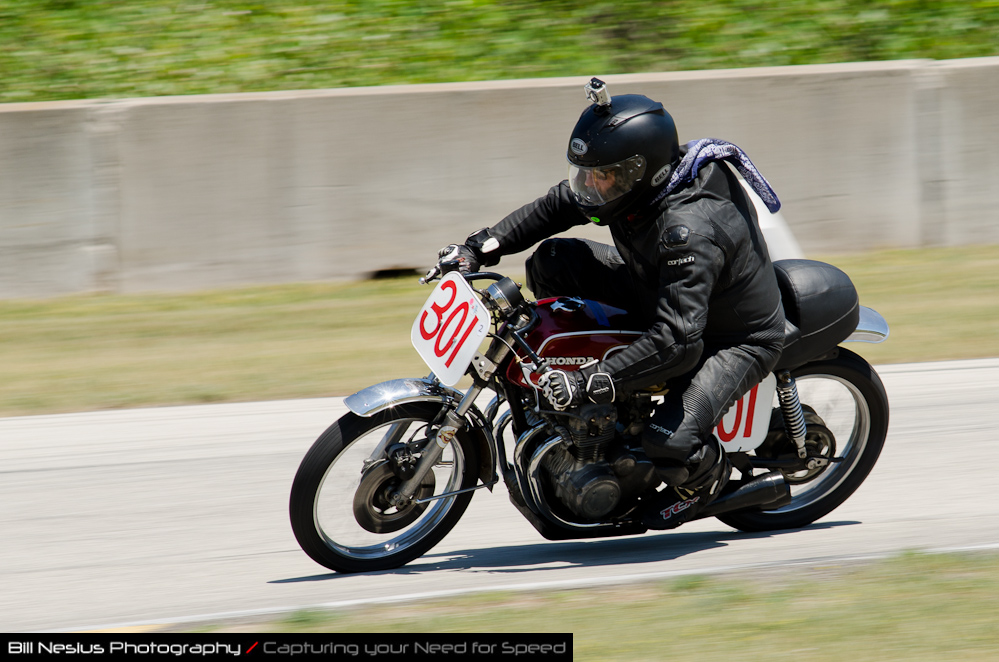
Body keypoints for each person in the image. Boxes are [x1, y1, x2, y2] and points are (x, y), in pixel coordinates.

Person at [429, 78, 786, 530]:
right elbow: (555, 205)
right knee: (554, 261)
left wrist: (591, 380)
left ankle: (707, 484)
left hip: (729, 337)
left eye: (602, 175)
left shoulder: (687, 230)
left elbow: (678, 342)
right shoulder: (633, 188)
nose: (590, 185)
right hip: (658, 290)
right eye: (587, 172)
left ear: (643, 171)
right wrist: (477, 248)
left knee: (667, 441)